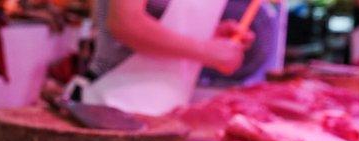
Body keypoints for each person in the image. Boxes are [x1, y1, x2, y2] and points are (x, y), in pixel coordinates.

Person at [88, 0, 255, 80]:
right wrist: (206, 50)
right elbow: (124, 23)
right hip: (112, 98)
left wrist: (210, 37)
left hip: (164, 104)